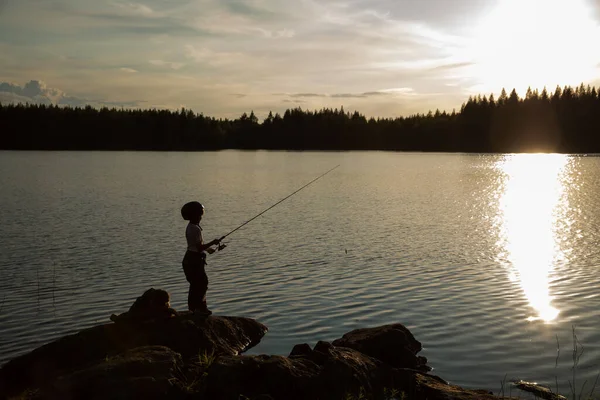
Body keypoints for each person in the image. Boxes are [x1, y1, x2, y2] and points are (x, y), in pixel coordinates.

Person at [181, 201, 223, 315]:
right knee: (201, 283)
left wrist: (208, 249)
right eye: (200, 215)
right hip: (194, 260)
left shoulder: (191, 227)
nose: (201, 217)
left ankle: (195, 308)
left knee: (196, 285)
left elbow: (195, 245)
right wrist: (213, 242)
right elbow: (199, 247)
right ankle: (200, 309)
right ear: (195, 215)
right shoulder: (195, 228)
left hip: (190, 258)